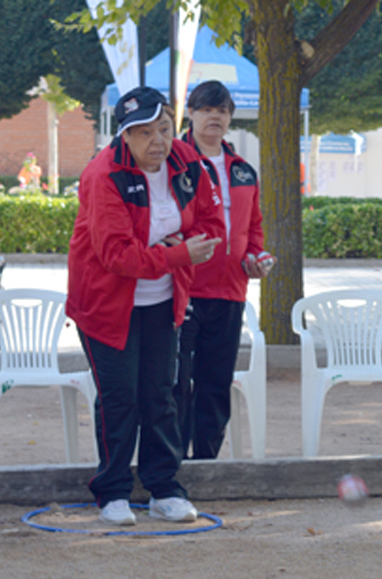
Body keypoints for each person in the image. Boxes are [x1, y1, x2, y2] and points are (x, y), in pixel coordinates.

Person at [66, 86, 224, 526]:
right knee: (120, 397)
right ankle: (112, 491)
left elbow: (211, 224)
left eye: (164, 128)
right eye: (144, 132)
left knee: (160, 395)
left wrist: (176, 250)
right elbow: (117, 256)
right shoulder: (103, 175)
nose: (158, 140)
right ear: (124, 136)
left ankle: (164, 488)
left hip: (161, 299)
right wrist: (177, 253)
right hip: (105, 304)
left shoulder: (188, 163)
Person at [174, 80, 275, 459]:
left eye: (222, 110)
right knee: (177, 384)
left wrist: (255, 257)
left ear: (230, 117)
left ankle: (207, 465)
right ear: (192, 114)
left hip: (230, 292)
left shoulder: (244, 171)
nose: (214, 116)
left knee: (216, 385)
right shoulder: (174, 162)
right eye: (206, 109)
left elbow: (254, 229)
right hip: (182, 291)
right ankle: (175, 466)